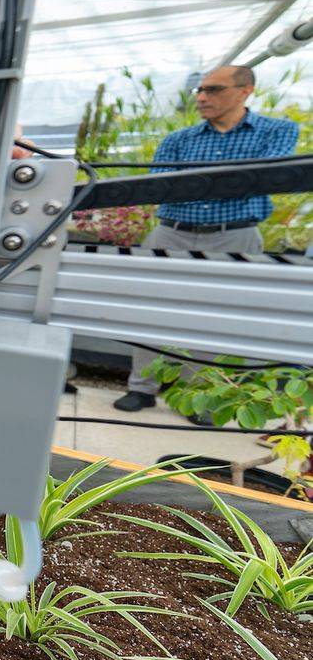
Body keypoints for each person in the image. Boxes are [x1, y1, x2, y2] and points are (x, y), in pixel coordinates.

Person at [113, 65, 299, 412]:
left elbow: (267, 177)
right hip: (172, 233)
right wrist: (230, 183)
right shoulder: (179, 139)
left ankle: (201, 396)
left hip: (235, 237)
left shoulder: (278, 131)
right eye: (199, 90)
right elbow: (162, 187)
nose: (201, 97)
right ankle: (141, 387)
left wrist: (200, 184)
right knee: (148, 308)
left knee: (219, 316)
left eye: (213, 89)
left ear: (245, 91)